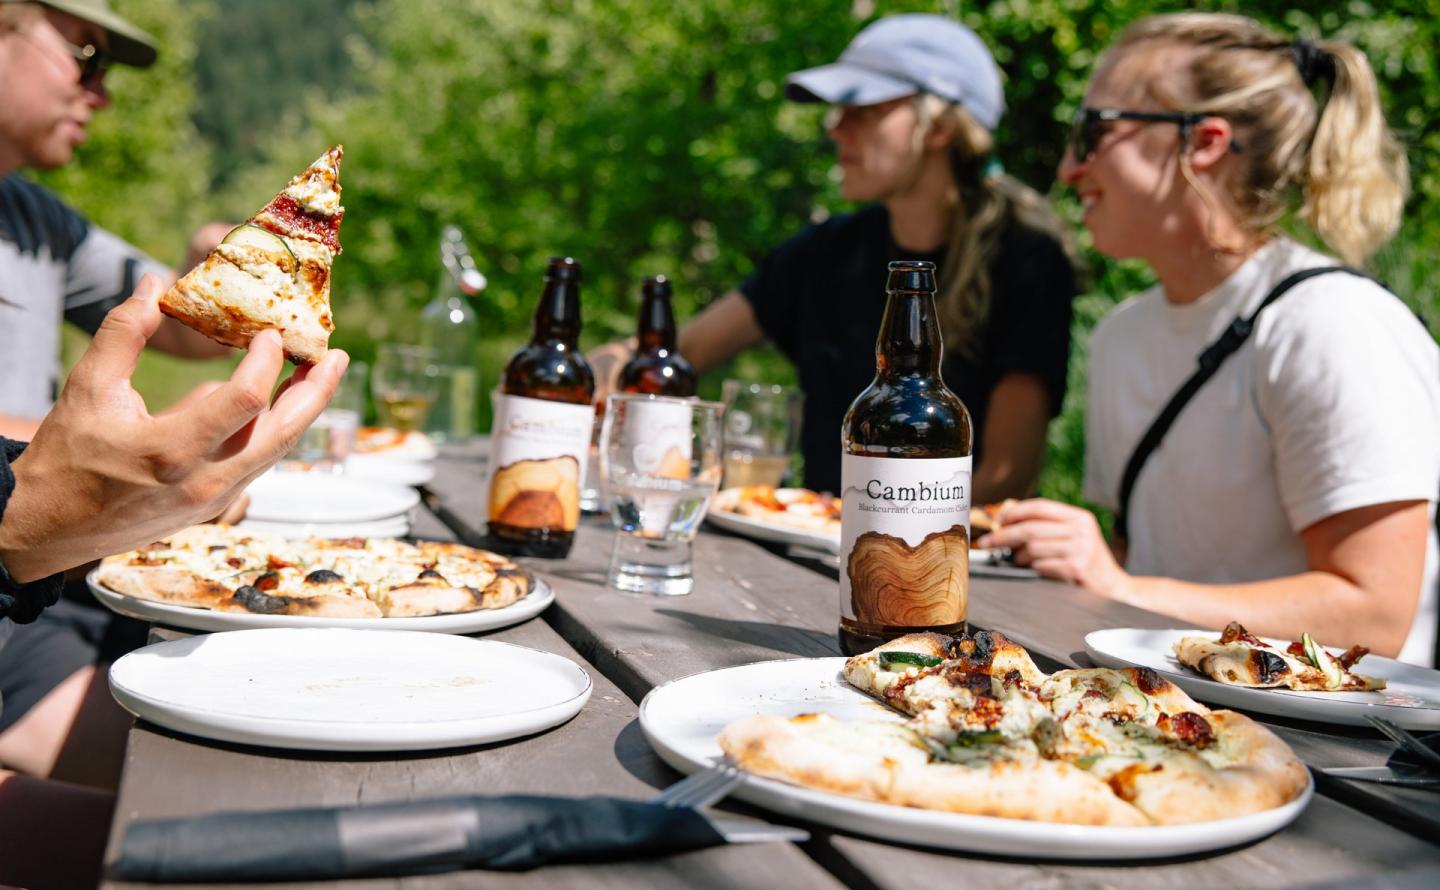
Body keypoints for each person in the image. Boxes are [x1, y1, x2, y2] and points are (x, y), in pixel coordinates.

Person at [979, 13, 1440, 664]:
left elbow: (1375, 613)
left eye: (1094, 132)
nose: (1069, 167)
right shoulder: (1120, 337)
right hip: (1167, 706)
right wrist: (1080, 565)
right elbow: (1152, 563)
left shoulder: (1332, 324)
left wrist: (1120, 586)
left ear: (1203, 142)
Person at [0, 276, 348, 890]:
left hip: (27, 610)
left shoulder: (46, 225)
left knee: (282, 852)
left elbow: (189, 321)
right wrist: (49, 495)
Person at [592, 13, 1076, 499]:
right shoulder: (827, 251)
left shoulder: (1026, 262)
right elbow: (677, 354)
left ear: (939, 129)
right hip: (806, 536)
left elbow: (1005, 478)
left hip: (942, 545)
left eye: (862, 109)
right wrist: (593, 373)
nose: (836, 129)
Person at [0, 0, 237, 786]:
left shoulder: (36, 219)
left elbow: (190, 328)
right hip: (19, 608)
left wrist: (224, 264)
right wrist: (150, 449)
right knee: (211, 776)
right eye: (86, 57)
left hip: (59, 576)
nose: (100, 94)